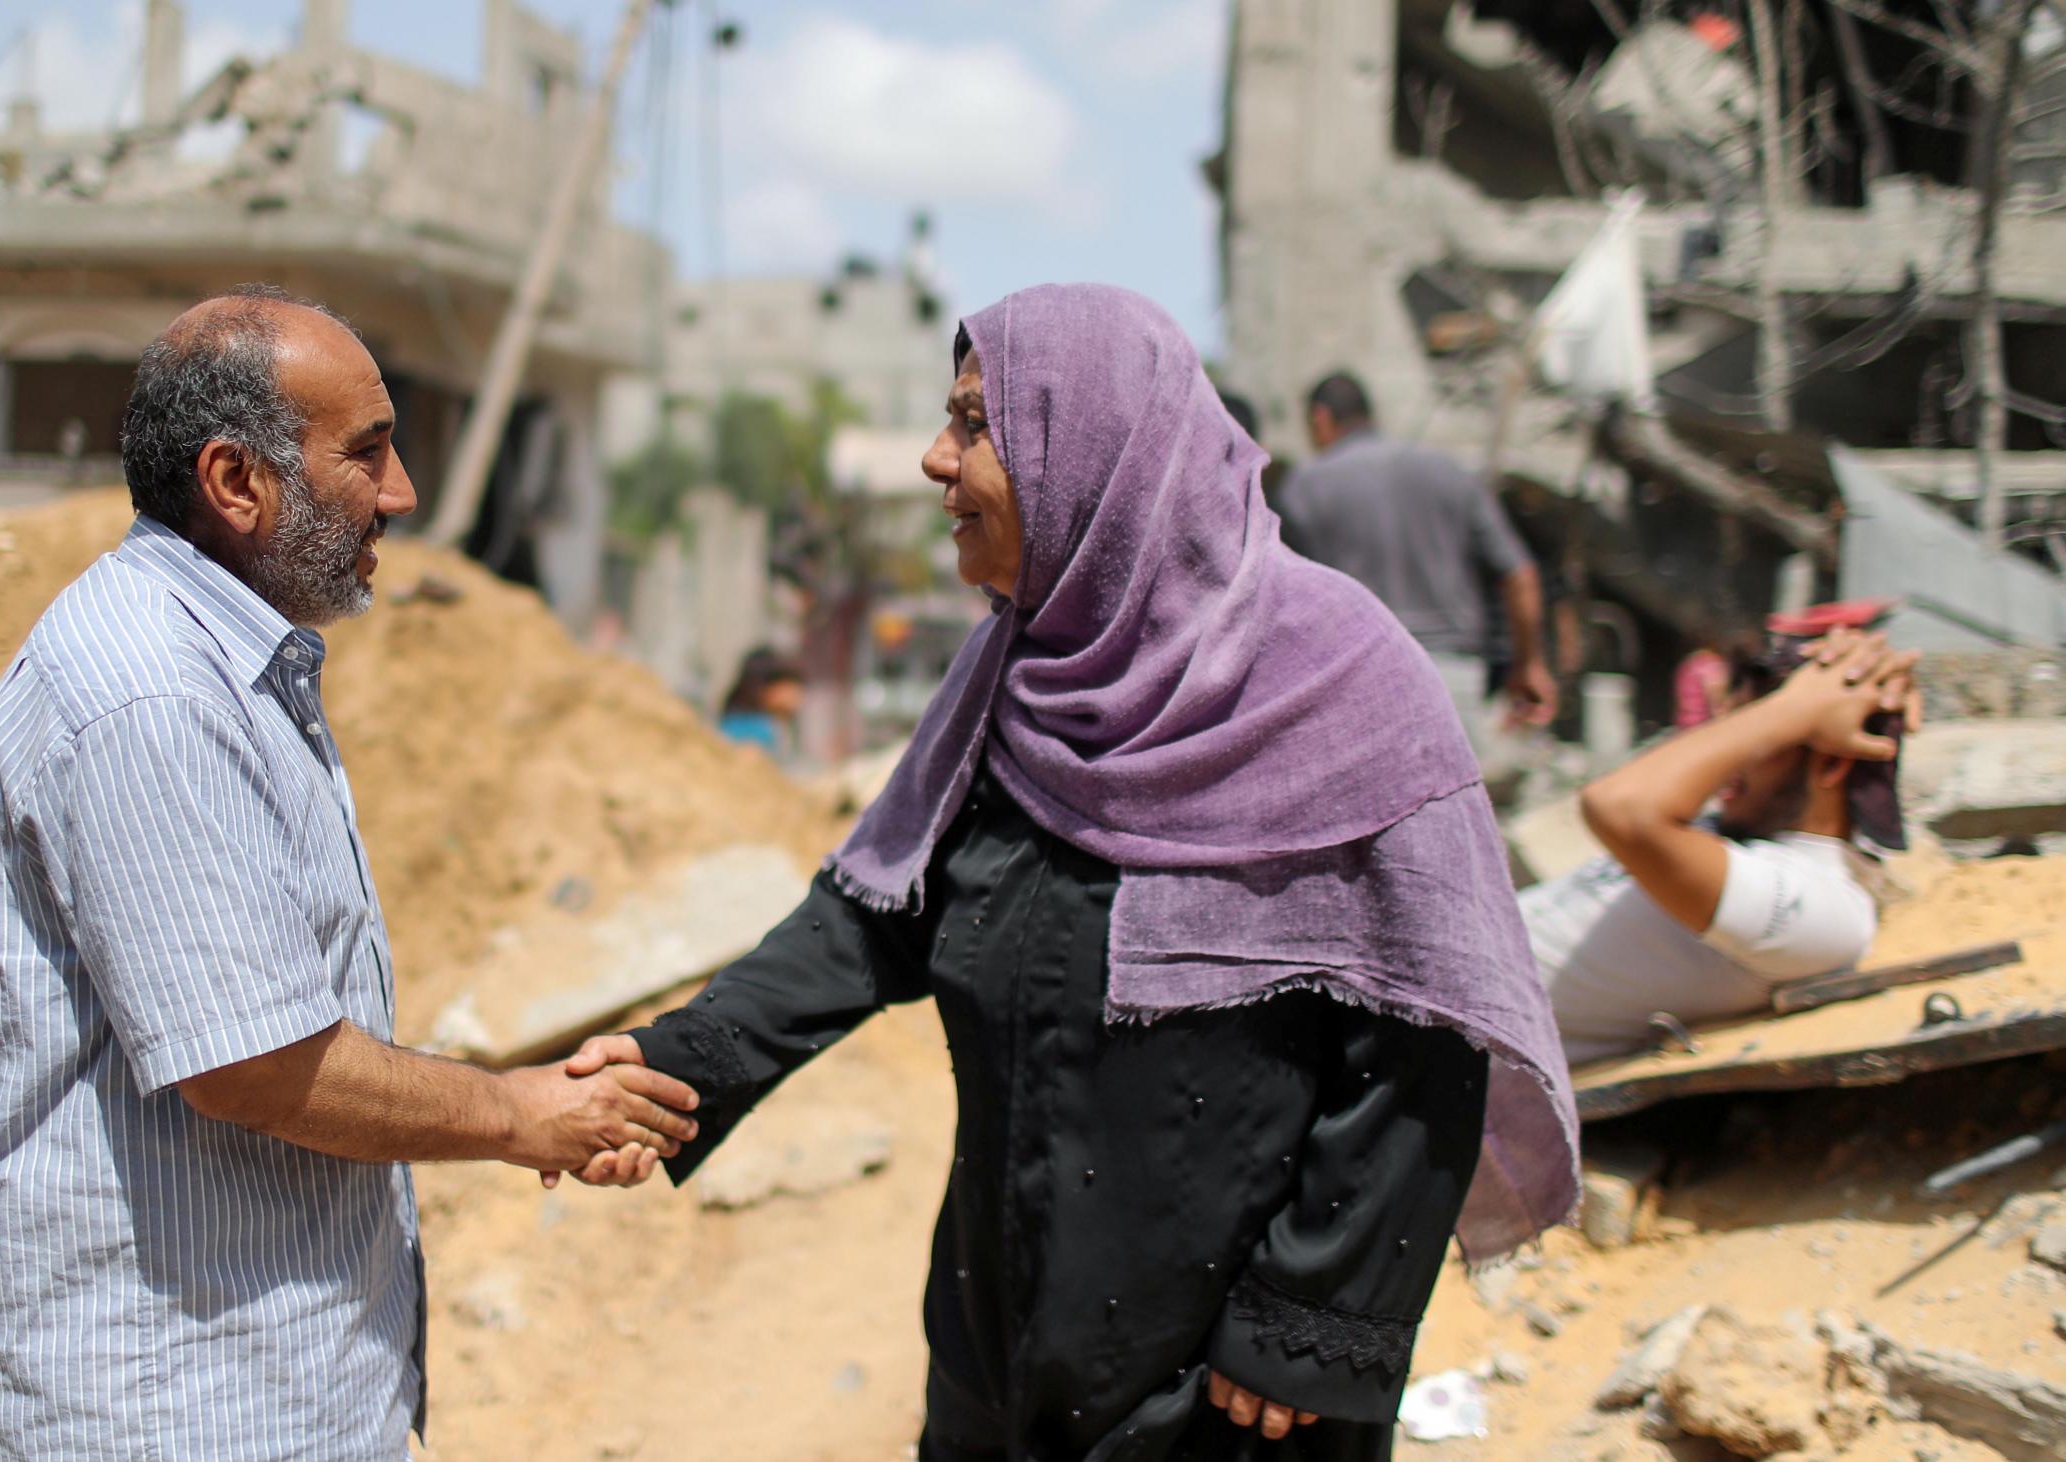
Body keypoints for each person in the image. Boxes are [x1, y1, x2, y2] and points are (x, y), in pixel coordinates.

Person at [567, 285, 1579, 1459]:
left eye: (972, 423)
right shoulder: (1013, 674)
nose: (935, 462)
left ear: (1091, 449)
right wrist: (674, 1064)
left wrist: (1310, 1316)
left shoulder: (1346, 681)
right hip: (1000, 1340)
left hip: (1225, 1388)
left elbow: (1424, 1027)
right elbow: (871, 920)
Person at [0, 286, 699, 1457]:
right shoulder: (152, 695)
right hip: (175, 1408)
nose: (400, 493)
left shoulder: (231, 660)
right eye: (367, 453)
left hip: (262, 1381)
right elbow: (251, 1063)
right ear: (237, 483)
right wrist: (517, 1114)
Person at [1533, 630, 1915, 1064]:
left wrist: (1795, 706)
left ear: (1830, 762)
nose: (1729, 756)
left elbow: (1618, 807)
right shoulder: (1727, 829)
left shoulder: (1823, 908)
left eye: (1760, 734)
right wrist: (1857, 666)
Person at [1277, 372, 1555, 778]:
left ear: (1321, 419)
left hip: (1357, 682)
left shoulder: (1306, 487)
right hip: (1451, 681)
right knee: (1454, 817)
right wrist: (1529, 663)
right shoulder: (1450, 472)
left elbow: (1288, 605)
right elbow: (1519, 574)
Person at [718, 646, 804, 756]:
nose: (797, 696)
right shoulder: (752, 730)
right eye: (788, 687)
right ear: (764, 689)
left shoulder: (776, 724)